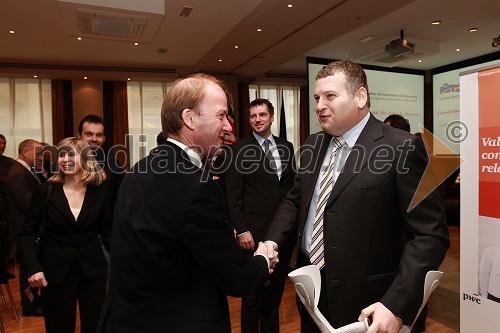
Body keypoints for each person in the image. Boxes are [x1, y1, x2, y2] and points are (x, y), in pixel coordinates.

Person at [264, 60, 450, 332]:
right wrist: (272, 240)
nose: (319, 105)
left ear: (360, 97)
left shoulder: (401, 147)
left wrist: (396, 304)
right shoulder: (313, 144)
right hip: (311, 290)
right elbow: (294, 200)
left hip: (371, 304)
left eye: (330, 96)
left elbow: (430, 235)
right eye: (317, 97)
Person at [102, 73, 278, 333]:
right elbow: (237, 279)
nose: (229, 126)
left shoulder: (142, 168)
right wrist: (263, 259)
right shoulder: (197, 186)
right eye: (221, 116)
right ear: (189, 119)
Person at [16, 137, 112, 332]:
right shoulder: (46, 190)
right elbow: (26, 233)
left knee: (96, 327)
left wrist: (124, 264)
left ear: (85, 158)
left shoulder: (100, 191)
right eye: (61, 154)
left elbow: (109, 233)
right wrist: (33, 268)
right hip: (55, 272)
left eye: (71, 154)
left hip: (93, 271)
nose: (65, 159)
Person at [224, 98, 296, 333]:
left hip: (281, 234)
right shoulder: (237, 150)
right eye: (253, 116)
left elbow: (290, 190)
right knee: (253, 297)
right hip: (252, 236)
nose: (257, 120)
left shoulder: (286, 146)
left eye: (262, 115)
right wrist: (242, 229)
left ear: (272, 117)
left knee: (275, 295)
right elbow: (232, 196)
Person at [5, 139, 43, 316]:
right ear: (24, 151)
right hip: (24, 230)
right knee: (28, 271)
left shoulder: (26, 170)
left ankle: (33, 303)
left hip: (27, 229)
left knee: (30, 269)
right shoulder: (19, 173)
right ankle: (30, 306)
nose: (40, 157)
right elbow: (28, 204)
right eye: (37, 153)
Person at [77, 114, 124, 205]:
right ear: (79, 136)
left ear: (104, 139)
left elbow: (120, 197)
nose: (94, 139)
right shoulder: (67, 161)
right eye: (89, 134)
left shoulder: (113, 164)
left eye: (99, 135)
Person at [0, 134, 14, 280]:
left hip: (6, 206)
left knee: (5, 241)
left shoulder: (9, 161)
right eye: (0, 143)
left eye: (4, 143)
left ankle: (3, 269)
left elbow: (10, 181)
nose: (2, 146)